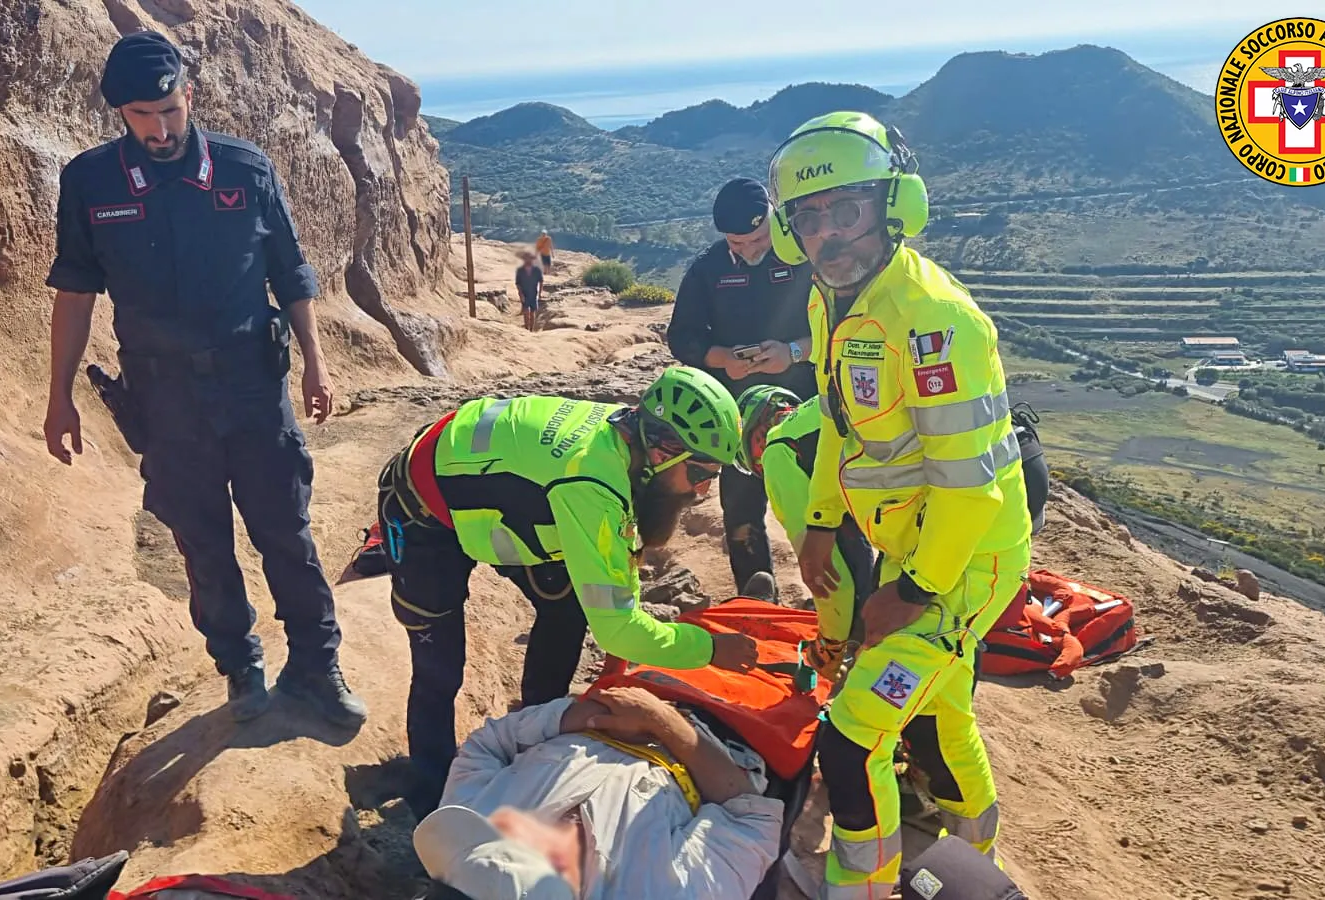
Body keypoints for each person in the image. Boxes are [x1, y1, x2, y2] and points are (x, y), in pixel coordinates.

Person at [42, 31, 365, 727]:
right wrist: (58, 395)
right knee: (202, 541)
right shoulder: (91, 183)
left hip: (254, 387)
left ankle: (316, 666)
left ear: (190, 95)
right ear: (120, 114)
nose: (159, 130)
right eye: (141, 116)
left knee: (285, 530)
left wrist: (316, 361)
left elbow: (292, 271)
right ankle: (240, 669)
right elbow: (74, 292)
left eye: (168, 110)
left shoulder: (246, 169)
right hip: (164, 400)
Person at [767, 111, 1032, 897]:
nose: (827, 234)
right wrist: (820, 524)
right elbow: (841, 430)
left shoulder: (935, 321)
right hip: (915, 544)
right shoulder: (833, 302)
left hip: (964, 557)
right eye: (808, 218)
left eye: (843, 210)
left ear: (890, 206)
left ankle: (863, 886)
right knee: (942, 709)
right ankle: (976, 851)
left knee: (850, 741)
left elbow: (969, 484)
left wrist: (911, 592)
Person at [376, 365, 759, 817]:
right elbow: (617, 629)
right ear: (664, 450)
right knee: (440, 667)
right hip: (422, 505)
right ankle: (431, 799)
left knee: (566, 610)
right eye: (700, 472)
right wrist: (710, 648)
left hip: (501, 489)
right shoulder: (592, 483)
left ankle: (536, 732)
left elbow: (622, 558)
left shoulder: (625, 439)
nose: (701, 490)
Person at [412, 685, 783, 900]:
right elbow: (751, 819)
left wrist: (586, 717)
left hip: (624, 696)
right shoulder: (661, 890)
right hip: (726, 733)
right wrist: (664, 723)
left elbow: (490, 743)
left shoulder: (470, 814)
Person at [666, 177, 817, 597]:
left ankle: (843, 606)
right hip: (739, 414)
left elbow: (848, 326)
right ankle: (757, 598)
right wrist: (723, 359)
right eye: (738, 243)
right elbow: (682, 337)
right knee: (740, 509)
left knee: (821, 506)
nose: (750, 251)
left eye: (758, 239)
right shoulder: (708, 269)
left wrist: (793, 351)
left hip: (807, 406)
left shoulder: (808, 255)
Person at [733, 386, 874, 669]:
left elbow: (825, 572)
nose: (761, 468)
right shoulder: (816, 409)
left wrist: (830, 646)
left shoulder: (777, 450)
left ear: (754, 436)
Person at [515, 249, 543, 332]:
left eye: (530, 258)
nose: (528, 260)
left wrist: (540, 293)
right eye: (526, 258)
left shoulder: (537, 270)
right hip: (524, 293)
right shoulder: (520, 270)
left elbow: (541, 281)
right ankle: (526, 329)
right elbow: (517, 283)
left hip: (534, 293)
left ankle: (531, 329)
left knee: (532, 313)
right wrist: (520, 293)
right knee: (526, 312)